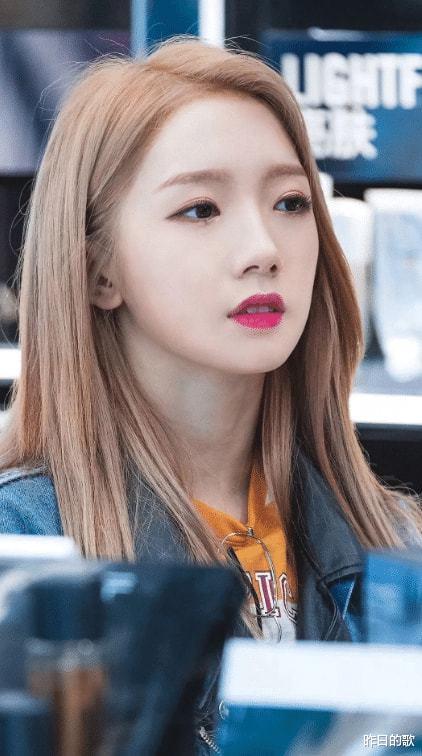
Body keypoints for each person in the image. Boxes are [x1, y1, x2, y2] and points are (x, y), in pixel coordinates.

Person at [0, 35, 421, 753]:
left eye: (291, 202)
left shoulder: (395, 543)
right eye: (200, 210)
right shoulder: (26, 554)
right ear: (98, 270)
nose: (264, 248)